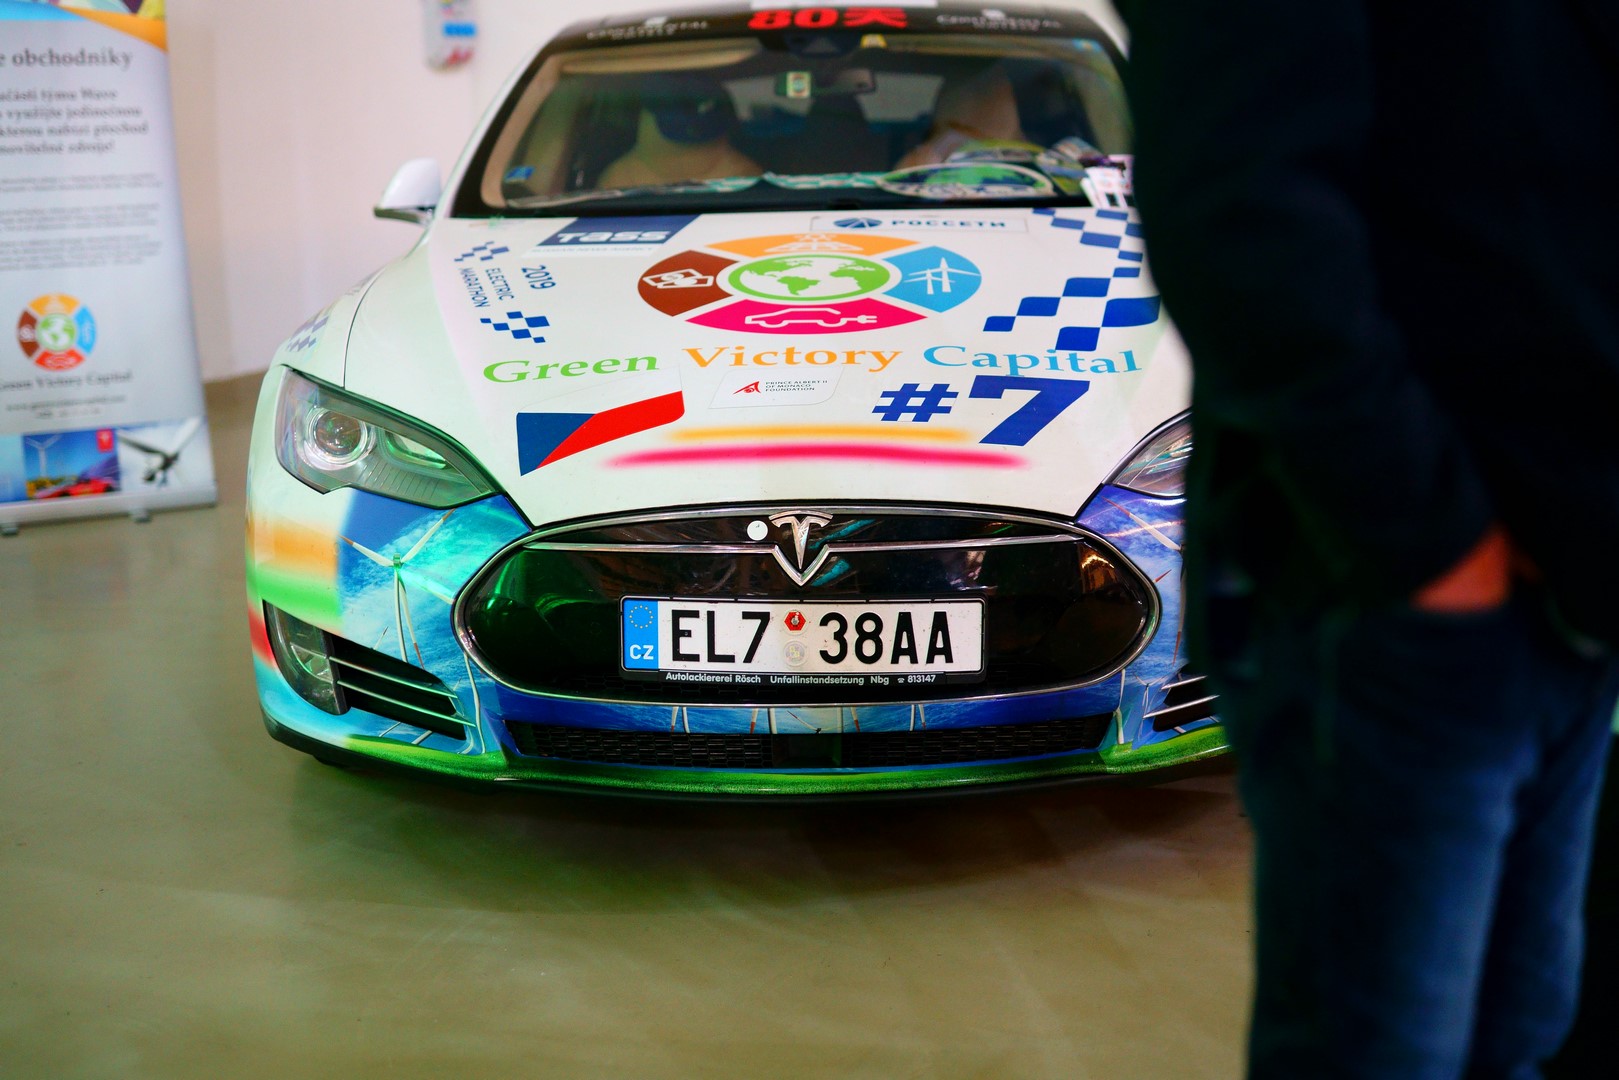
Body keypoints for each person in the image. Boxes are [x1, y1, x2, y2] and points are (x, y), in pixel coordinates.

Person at [1114, 1, 1619, 1076]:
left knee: (1516, 1039)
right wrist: (1428, 544)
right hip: (1402, 595)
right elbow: (1235, 201)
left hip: (1560, 584)